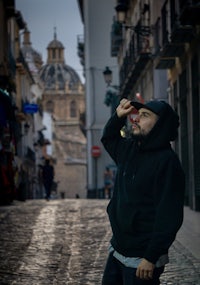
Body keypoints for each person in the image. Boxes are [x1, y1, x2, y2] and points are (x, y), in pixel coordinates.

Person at [101, 98, 185, 285]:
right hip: (118, 249)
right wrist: (117, 116)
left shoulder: (167, 163)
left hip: (142, 258)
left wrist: (151, 257)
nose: (135, 119)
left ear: (160, 124)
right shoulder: (130, 148)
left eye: (144, 115)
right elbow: (109, 138)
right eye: (137, 115)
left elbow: (169, 216)